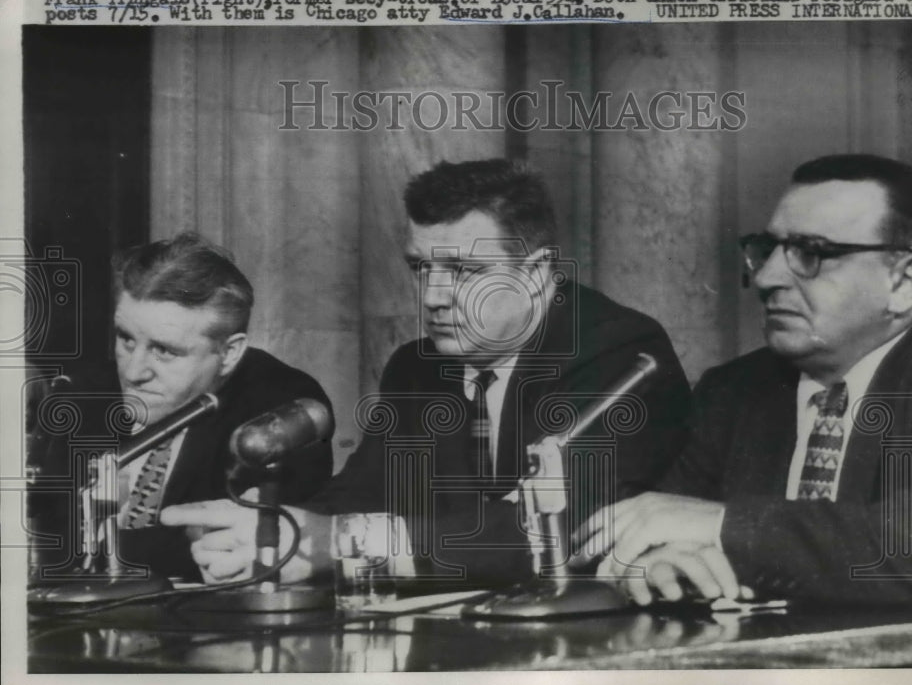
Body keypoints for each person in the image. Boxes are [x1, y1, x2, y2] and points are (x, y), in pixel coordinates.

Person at [163, 159, 692, 589]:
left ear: (535, 274)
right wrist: (267, 533)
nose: (433, 297)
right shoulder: (416, 368)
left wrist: (337, 542)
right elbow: (360, 495)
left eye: (463, 270)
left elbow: (551, 530)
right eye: (421, 268)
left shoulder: (617, 353)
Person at [578, 154, 912, 610]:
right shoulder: (732, 392)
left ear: (905, 282)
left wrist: (723, 526)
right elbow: (659, 522)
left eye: (811, 253)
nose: (765, 277)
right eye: (768, 249)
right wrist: (657, 561)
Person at [34, 233, 333, 582]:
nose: (133, 372)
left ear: (229, 353)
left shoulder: (280, 403)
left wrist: (105, 545)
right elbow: (43, 534)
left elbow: (234, 546)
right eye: (126, 339)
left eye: (164, 351)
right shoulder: (82, 393)